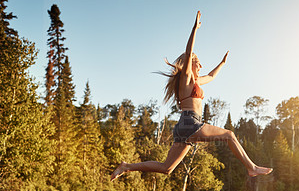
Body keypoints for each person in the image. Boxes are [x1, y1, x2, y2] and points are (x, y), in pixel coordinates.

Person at [111, 11, 272, 181]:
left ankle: (127, 167)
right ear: (190, 64)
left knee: (167, 168)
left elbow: (210, 76)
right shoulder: (186, 77)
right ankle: (252, 168)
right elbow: (189, 53)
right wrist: (194, 29)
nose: (201, 65)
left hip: (183, 127)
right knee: (229, 135)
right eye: (198, 62)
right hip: (190, 122)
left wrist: (222, 63)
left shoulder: (195, 81)